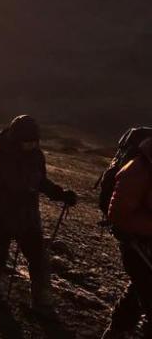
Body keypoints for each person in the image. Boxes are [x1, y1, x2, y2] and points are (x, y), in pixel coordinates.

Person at [0, 115, 77, 313]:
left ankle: (42, 300)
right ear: (17, 139)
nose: (32, 145)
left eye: (34, 141)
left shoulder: (36, 156)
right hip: (0, 217)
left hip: (27, 217)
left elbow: (41, 181)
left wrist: (60, 194)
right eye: (28, 142)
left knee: (38, 258)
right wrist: (16, 194)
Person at [101, 134, 152, 338]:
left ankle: (116, 332)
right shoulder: (138, 169)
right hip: (135, 245)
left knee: (138, 292)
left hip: (146, 247)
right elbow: (120, 214)